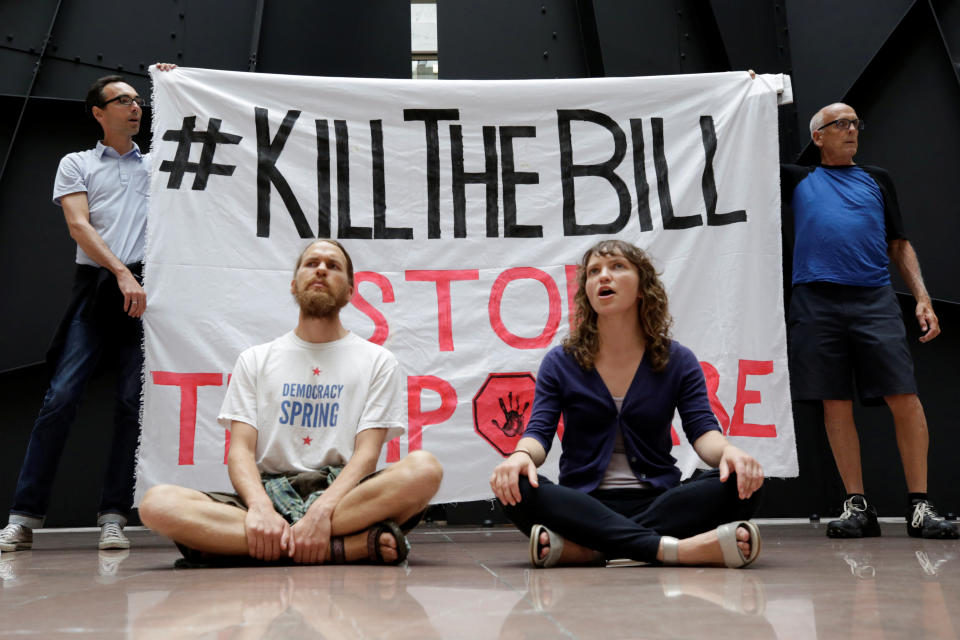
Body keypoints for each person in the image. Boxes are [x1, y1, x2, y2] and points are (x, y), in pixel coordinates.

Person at [139, 239, 444, 565]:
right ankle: (343, 547)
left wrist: (323, 509)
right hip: (269, 491)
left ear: (350, 292)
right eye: (311, 263)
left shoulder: (378, 361)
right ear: (294, 284)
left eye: (334, 265)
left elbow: (367, 455)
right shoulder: (255, 359)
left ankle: (253, 544)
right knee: (156, 504)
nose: (322, 269)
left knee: (425, 470)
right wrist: (259, 508)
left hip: (343, 495)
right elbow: (240, 450)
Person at [489, 239, 764, 568]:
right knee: (514, 485)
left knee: (743, 481)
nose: (603, 276)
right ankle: (675, 550)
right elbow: (539, 433)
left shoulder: (678, 360)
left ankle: (594, 549)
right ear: (587, 292)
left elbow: (703, 431)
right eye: (594, 272)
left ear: (642, 288)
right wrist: (519, 456)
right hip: (584, 503)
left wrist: (729, 453)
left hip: (659, 499)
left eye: (617, 267)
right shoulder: (560, 362)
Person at [0, 67, 175, 553]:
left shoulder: (158, 161)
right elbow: (79, 227)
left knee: (129, 404)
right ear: (100, 113)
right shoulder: (76, 163)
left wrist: (175, 83)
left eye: (139, 99)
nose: (135, 106)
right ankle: (23, 517)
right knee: (61, 398)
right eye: (123, 100)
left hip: (149, 289)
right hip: (100, 286)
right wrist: (121, 273)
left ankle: (114, 516)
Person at [781, 102, 957, 539]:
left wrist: (922, 298)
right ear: (818, 136)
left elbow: (899, 244)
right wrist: (750, 93)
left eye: (855, 123)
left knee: (905, 396)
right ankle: (857, 505)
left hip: (873, 299)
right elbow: (743, 151)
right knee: (834, 400)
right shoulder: (798, 179)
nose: (851, 130)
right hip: (815, 301)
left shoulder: (877, 180)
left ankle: (919, 505)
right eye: (840, 124)